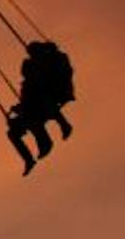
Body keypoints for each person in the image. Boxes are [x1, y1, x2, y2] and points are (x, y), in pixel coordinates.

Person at [5, 40, 76, 174]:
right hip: (36, 107)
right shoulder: (31, 81)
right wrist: (18, 109)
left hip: (49, 99)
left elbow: (58, 76)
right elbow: (28, 100)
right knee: (13, 132)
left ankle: (56, 132)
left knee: (32, 116)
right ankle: (28, 160)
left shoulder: (50, 64)